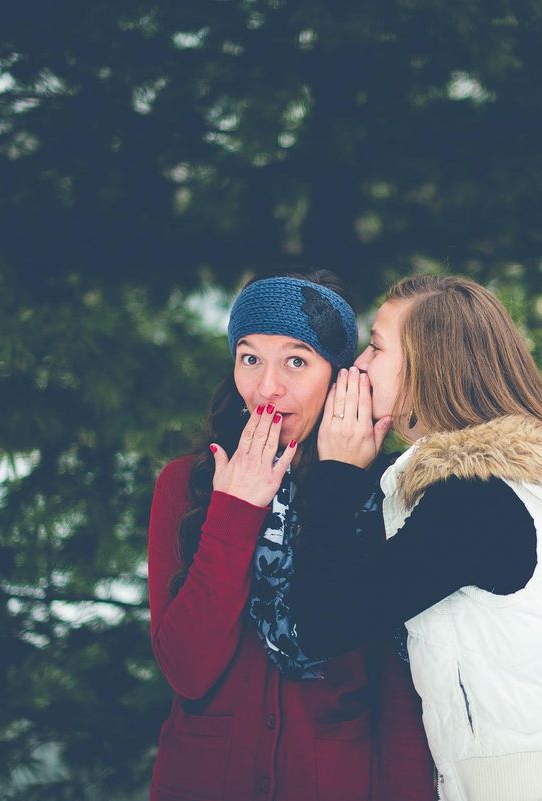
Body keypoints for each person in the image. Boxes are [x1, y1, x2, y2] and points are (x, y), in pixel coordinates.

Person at [281, 274, 542, 801]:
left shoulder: (474, 503)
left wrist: (337, 472)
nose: (359, 365)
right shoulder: (513, 484)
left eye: (378, 347)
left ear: (429, 365)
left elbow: (321, 625)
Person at [146, 272, 434, 801]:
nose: (266, 388)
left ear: (339, 377)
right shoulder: (185, 485)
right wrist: (234, 512)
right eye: (250, 358)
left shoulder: (381, 490)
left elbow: (397, 692)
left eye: (296, 361)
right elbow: (187, 670)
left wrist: (340, 485)